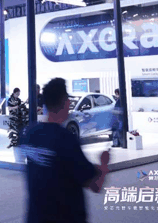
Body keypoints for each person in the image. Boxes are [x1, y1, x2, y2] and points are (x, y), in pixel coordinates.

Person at [22, 78, 109, 223]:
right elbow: (95, 185)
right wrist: (104, 164)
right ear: (65, 102)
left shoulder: (30, 134)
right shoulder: (65, 138)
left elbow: (55, 167)